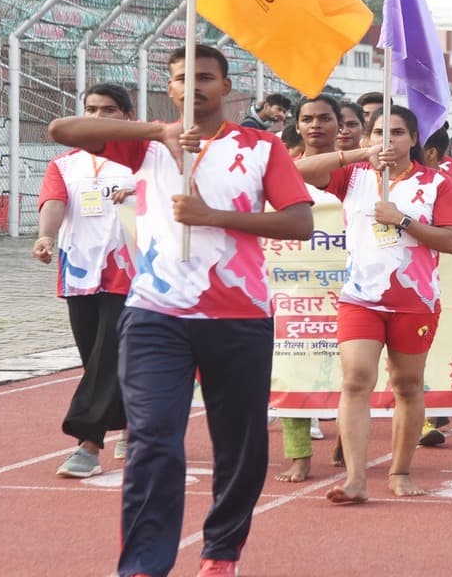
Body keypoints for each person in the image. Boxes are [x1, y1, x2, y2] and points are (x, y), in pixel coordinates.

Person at [48, 44, 315, 577]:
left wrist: (213, 216)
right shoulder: (143, 148)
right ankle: (145, 565)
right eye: (180, 78)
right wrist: (156, 133)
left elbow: (299, 222)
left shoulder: (261, 147)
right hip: (155, 315)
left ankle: (221, 553)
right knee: (152, 440)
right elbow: (60, 132)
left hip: (239, 316)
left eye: (206, 78)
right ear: (168, 88)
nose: (193, 87)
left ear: (226, 85)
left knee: (239, 447)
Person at [297, 104, 452, 503]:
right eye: (379, 134)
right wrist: (359, 154)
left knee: (406, 385)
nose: (388, 141)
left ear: (415, 139)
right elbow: (298, 171)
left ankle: (400, 470)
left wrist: (402, 220)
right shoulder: (352, 177)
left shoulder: (437, 184)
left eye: (399, 133)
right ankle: (355, 479)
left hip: (414, 300)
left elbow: (451, 241)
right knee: (355, 379)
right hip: (360, 298)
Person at [33, 83, 137, 479]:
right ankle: (130, 420)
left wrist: (140, 188)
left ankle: (88, 443)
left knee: (107, 352)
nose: (97, 117)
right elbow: (55, 202)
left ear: (127, 115)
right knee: (93, 355)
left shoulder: (144, 159)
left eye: (107, 109)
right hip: (79, 271)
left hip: (130, 271)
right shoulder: (65, 164)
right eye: (90, 109)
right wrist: (45, 236)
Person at [273, 94, 346, 484]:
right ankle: (298, 456)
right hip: (294, 285)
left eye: (325, 118)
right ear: (297, 125)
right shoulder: (277, 168)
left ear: (341, 124)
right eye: (307, 119)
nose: (316, 125)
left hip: (350, 285)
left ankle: (348, 443)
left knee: (355, 371)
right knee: (293, 367)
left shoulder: (362, 170)